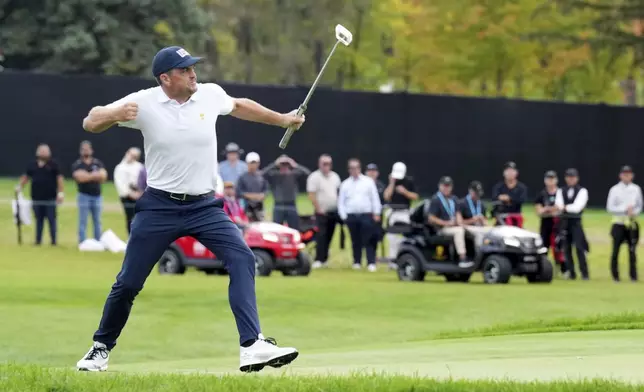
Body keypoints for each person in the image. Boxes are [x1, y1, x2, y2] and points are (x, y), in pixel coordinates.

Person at [76, 45, 303, 373]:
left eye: (192, 67)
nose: (193, 73)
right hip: (159, 208)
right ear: (165, 78)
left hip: (204, 206)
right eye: (184, 70)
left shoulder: (209, 94)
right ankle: (100, 348)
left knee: (241, 257)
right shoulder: (144, 102)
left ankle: (251, 344)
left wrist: (282, 119)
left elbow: (239, 106)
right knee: (128, 283)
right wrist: (112, 116)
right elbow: (90, 121)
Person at [337, 158, 382, 272]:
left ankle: (370, 262)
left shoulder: (368, 182)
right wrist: (344, 216)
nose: (354, 170)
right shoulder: (345, 184)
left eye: (356, 168)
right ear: (349, 170)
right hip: (351, 215)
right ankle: (356, 261)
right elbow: (341, 202)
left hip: (366, 214)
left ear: (359, 168)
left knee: (368, 239)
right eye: (352, 168)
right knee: (355, 240)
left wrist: (377, 212)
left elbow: (374, 198)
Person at [16, 143, 64, 245]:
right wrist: (20, 187)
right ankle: (38, 241)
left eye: (45, 151)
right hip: (36, 198)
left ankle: (53, 241)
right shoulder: (32, 165)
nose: (43, 153)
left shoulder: (53, 165)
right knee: (39, 220)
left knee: (51, 220)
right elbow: (26, 177)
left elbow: (59, 179)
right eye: (41, 151)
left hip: (50, 198)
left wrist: (60, 193)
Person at [606, 165, 643, 282]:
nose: (626, 176)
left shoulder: (636, 189)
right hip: (618, 223)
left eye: (629, 174)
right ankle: (615, 276)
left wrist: (634, 212)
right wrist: (624, 210)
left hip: (631, 223)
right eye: (624, 174)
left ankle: (633, 276)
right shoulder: (614, 189)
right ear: (620, 175)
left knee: (632, 250)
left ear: (632, 176)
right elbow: (610, 208)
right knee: (615, 250)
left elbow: (639, 205)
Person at [428, 177, 472, 268]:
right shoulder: (436, 199)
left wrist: (460, 223)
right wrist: (446, 223)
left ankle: (475, 254)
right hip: (441, 229)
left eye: (448, 186)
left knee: (468, 229)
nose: (446, 188)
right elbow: (431, 218)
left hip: (454, 226)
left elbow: (458, 214)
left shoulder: (454, 199)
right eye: (444, 186)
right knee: (459, 231)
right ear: (440, 186)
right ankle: (462, 258)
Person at [306, 154, 342, 269]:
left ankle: (325, 259)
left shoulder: (335, 177)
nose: (326, 166)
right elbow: (312, 195)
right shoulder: (314, 177)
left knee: (330, 236)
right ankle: (319, 259)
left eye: (328, 164)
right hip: (321, 212)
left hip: (333, 211)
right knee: (321, 236)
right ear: (319, 164)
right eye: (324, 164)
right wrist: (318, 209)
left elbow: (338, 192)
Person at [555, 168, 590, 280]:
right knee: (566, 248)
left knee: (579, 248)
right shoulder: (561, 190)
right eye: (569, 177)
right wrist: (565, 208)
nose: (571, 179)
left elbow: (577, 207)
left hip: (576, 222)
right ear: (566, 178)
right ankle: (571, 273)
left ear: (577, 178)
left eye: (573, 177)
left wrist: (565, 208)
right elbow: (558, 205)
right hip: (564, 222)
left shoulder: (582, 191)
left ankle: (584, 273)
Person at [262, 154, 311, 230]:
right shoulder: (275, 175)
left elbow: (308, 174)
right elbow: (262, 174)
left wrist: (295, 164)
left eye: (286, 164)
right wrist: (274, 164)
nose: (284, 167)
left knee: (294, 230)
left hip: (292, 205)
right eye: (282, 164)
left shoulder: (294, 174)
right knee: (277, 231)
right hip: (278, 206)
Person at [72, 140, 107, 243]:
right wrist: (94, 175)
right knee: (83, 220)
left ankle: (98, 241)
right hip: (83, 196)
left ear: (91, 150)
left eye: (87, 149)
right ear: (80, 151)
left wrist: (86, 175)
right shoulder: (78, 164)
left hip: (97, 196)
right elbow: (79, 177)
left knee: (97, 220)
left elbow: (103, 176)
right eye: (83, 149)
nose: (86, 151)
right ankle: (82, 242)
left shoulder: (97, 163)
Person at [383, 162, 418, 262]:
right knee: (391, 236)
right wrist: (392, 183)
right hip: (393, 213)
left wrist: (405, 192)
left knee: (407, 235)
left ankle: (405, 257)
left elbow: (415, 196)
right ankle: (392, 260)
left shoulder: (409, 182)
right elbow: (386, 196)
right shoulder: (391, 183)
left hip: (405, 212)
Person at [534, 171, 566, 275]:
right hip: (546, 223)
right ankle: (542, 268)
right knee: (544, 246)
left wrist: (548, 209)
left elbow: (560, 209)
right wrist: (549, 210)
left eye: (552, 179)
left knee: (558, 246)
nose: (550, 181)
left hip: (558, 224)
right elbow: (539, 211)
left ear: (556, 180)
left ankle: (563, 269)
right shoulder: (542, 194)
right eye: (548, 179)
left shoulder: (561, 193)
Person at [113, 147, 144, 234]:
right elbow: (120, 185)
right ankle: (130, 236)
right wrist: (130, 194)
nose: (131, 157)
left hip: (140, 195)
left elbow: (142, 181)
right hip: (127, 197)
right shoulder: (120, 168)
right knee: (130, 218)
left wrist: (140, 193)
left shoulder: (139, 167)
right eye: (131, 154)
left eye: (135, 156)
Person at [491, 161, 528, 227]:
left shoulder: (521, 187)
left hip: (515, 219)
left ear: (516, 173)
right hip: (501, 219)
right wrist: (511, 199)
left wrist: (508, 198)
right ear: (504, 173)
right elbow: (494, 199)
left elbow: (521, 200)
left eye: (512, 171)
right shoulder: (499, 187)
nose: (510, 173)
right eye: (508, 171)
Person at [458, 181, 493, 247]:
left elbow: (486, 222)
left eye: (478, 193)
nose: (477, 195)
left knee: (492, 231)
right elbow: (459, 222)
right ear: (470, 191)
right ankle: (480, 254)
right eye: (475, 193)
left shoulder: (481, 204)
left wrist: (483, 220)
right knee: (479, 234)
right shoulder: (462, 203)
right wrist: (473, 220)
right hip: (468, 227)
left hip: (479, 227)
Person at [237, 152, 269, 222]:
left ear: (258, 163)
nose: (253, 165)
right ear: (247, 163)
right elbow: (238, 192)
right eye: (251, 163)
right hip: (246, 207)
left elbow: (266, 190)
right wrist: (251, 196)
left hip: (259, 207)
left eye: (254, 163)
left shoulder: (262, 176)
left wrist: (262, 195)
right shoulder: (242, 177)